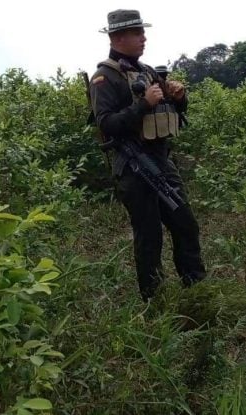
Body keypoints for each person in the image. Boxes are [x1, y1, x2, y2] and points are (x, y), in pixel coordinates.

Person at [89, 9, 206, 301]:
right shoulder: (104, 78)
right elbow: (106, 125)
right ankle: (155, 302)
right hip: (132, 167)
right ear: (118, 37)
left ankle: (198, 290)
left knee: (185, 224)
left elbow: (171, 113)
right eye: (138, 33)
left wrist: (179, 98)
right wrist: (142, 104)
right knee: (149, 235)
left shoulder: (149, 71)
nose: (144, 38)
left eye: (143, 32)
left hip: (161, 161)